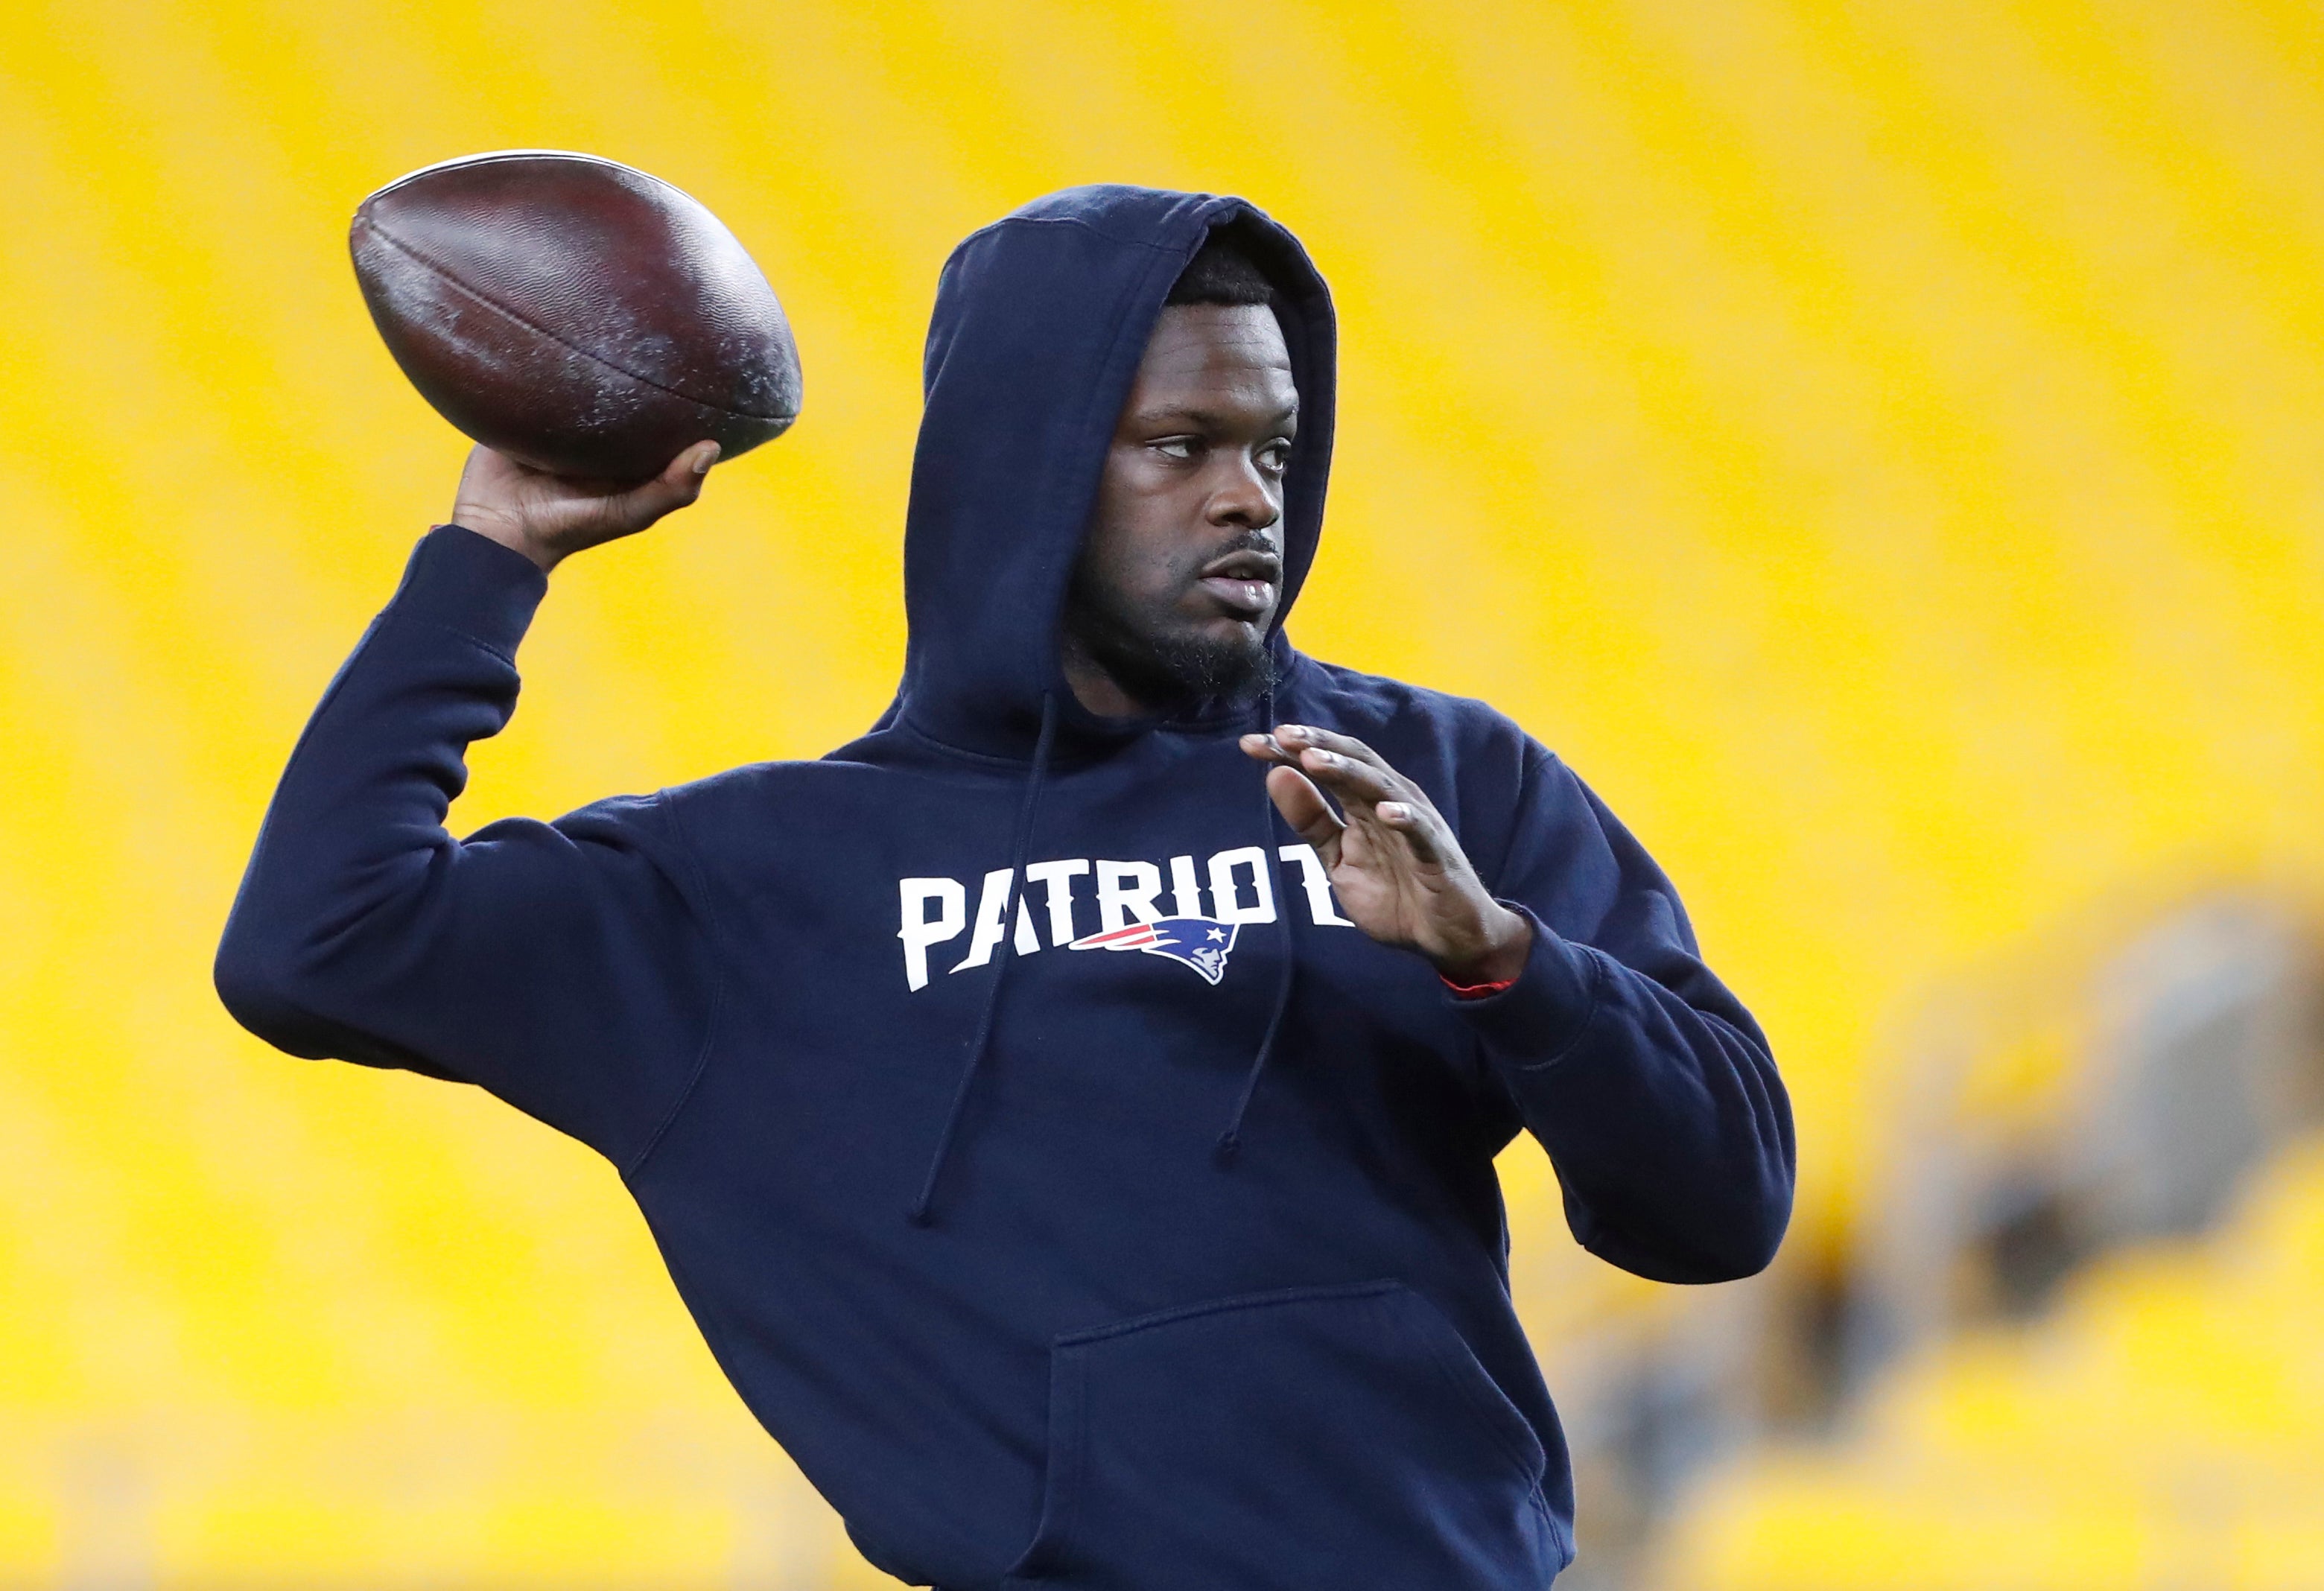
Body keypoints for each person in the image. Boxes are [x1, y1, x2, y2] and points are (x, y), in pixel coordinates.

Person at [217, 185, 1793, 1588]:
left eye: (1275, 448)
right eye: (1179, 447)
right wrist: (493, 552)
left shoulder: (1427, 782)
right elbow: (315, 942)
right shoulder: (751, 889)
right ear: (1026, 469)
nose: (1251, 498)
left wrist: (1506, 960)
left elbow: (1721, 1211)